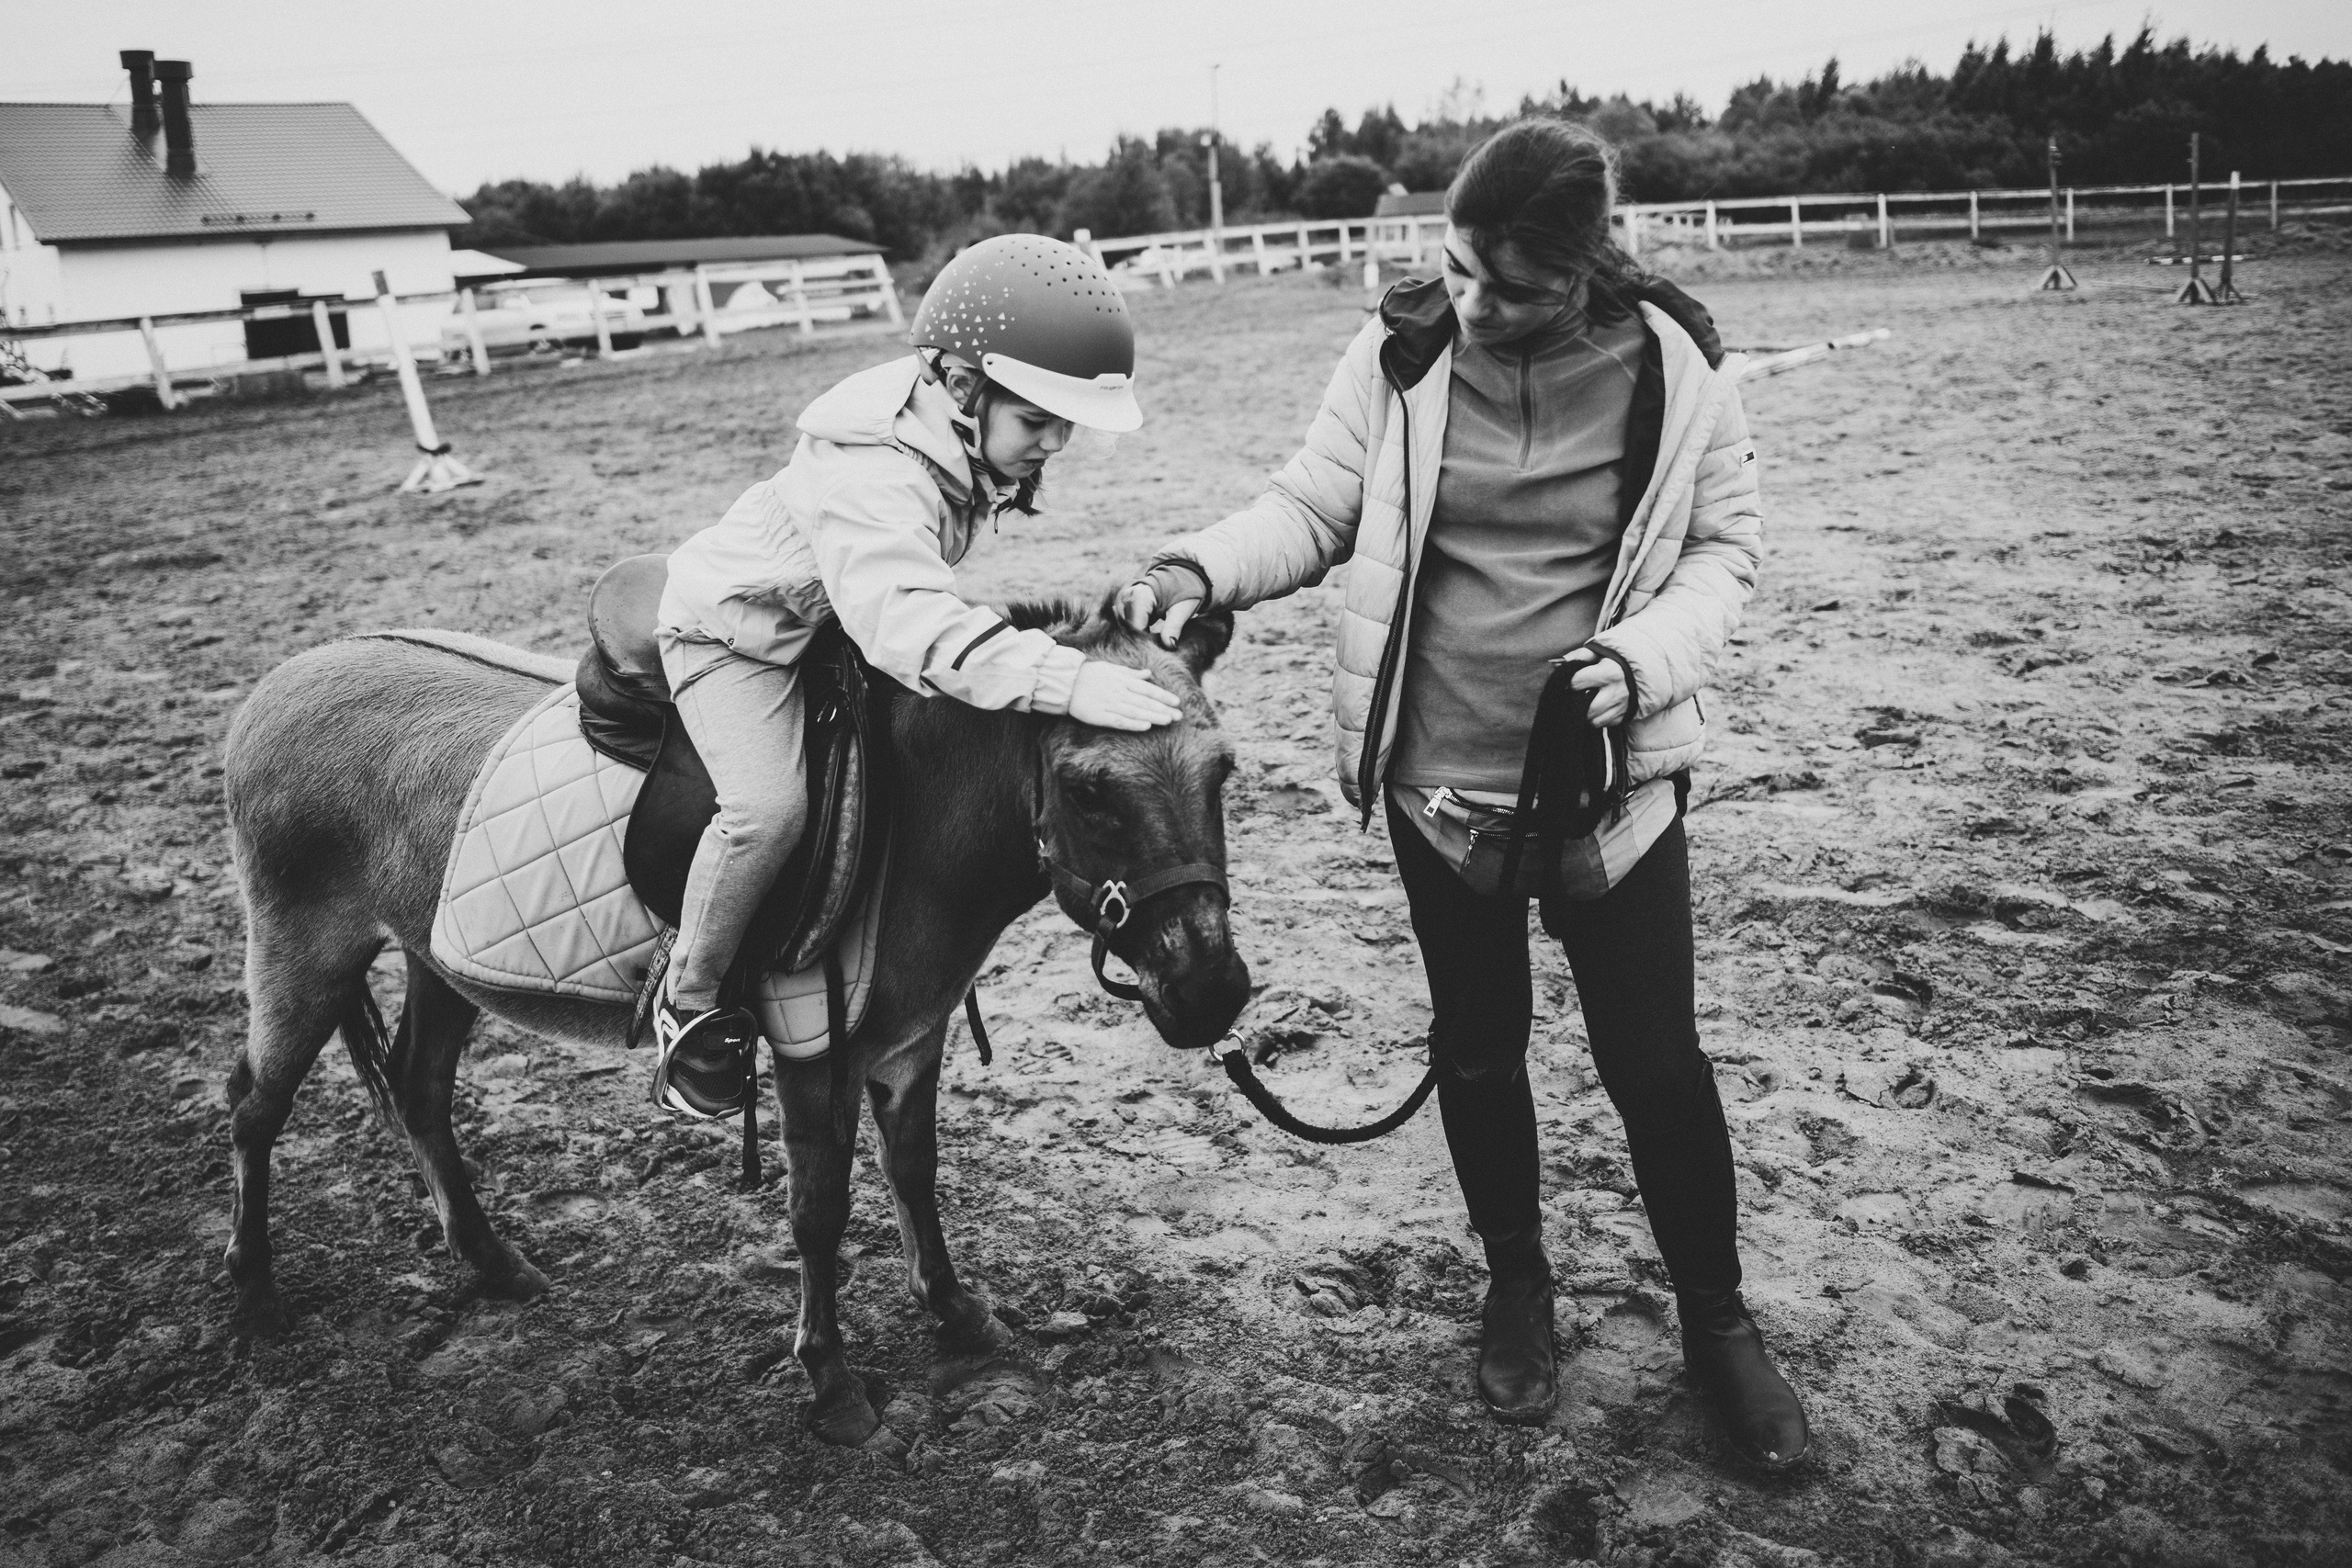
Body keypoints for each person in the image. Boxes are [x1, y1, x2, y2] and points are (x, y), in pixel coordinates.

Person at [1116, 120, 1808, 1466]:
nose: (1482, 307)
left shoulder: (1674, 367)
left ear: (1590, 263)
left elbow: (1725, 550)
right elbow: (1312, 507)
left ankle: (1719, 1325)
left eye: (1518, 287)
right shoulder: (1401, 356)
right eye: (1461, 271)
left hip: (1616, 790)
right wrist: (1196, 564)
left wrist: (1641, 658)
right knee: (1478, 1045)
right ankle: (1518, 1283)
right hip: (1442, 793)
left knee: (1655, 1064)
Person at [651, 233, 1183, 1119]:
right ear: (965, 388)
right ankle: (690, 998)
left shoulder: (948, 437)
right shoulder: (871, 470)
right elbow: (903, 616)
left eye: (1066, 426)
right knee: (765, 810)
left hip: (822, 629)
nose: (1053, 444)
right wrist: (1063, 680)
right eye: (1037, 421)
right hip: (734, 640)